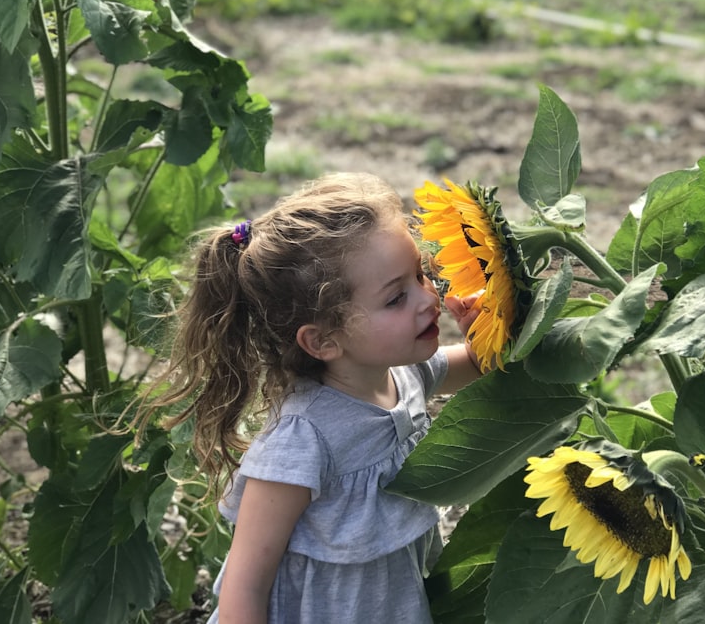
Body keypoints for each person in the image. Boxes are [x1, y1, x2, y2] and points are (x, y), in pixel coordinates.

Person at [145, 172, 482, 624]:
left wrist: (485, 325)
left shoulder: (406, 374)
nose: (428, 298)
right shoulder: (302, 439)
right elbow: (247, 582)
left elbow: (483, 365)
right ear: (323, 341)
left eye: (420, 274)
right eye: (395, 298)